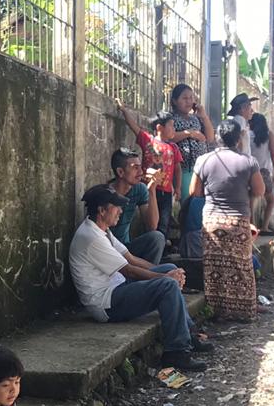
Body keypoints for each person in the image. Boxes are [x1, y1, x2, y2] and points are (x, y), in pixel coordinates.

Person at [71, 185, 212, 370]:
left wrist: (167, 273)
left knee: (169, 268)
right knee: (167, 285)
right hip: (106, 303)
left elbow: (130, 258)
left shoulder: (102, 230)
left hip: (118, 288)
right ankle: (177, 352)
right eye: (116, 207)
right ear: (102, 210)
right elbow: (128, 270)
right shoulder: (91, 237)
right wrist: (165, 278)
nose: (120, 211)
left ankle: (189, 334)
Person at [190, 118, 264, 322]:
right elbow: (259, 190)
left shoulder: (203, 160)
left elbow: (194, 191)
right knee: (241, 265)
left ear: (217, 137)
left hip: (212, 220)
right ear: (239, 139)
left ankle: (217, 310)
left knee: (215, 266)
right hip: (238, 220)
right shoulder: (249, 162)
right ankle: (245, 311)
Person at [115, 99, 184, 245]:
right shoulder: (148, 140)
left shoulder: (174, 148)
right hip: (148, 188)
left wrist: (177, 187)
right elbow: (134, 126)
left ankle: (162, 247)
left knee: (164, 222)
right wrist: (123, 110)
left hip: (165, 191)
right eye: (171, 126)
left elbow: (177, 169)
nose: (174, 130)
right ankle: (151, 245)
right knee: (148, 222)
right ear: (159, 127)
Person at [105, 148, 169, 265]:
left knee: (157, 238)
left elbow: (152, 226)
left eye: (140, 167)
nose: (141, 172)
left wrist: (151, 190)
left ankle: (149, 280)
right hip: (108, 252)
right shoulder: (106, 194)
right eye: (135, 167)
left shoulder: (139, 189)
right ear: (120, 172)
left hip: (127, 249)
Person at [161, 83, 216, 204]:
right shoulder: (170, 118)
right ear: (175, 101)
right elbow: (168, 137)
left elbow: (210, 137)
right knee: (188, 204)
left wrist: (204, 116)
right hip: (184, 170)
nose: (189, 101)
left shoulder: (196, 118)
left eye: (191, 98)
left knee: (201, 205)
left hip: (201, 169)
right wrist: (189, 133)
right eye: (184, 98)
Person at [249, 113, 274, 231]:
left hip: (250, 171)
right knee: (270, 201)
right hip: (264, 172)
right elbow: (273, 155)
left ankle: (251, 226)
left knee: (250, 201)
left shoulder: (247, 135)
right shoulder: (268, 135)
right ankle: (265, 227)